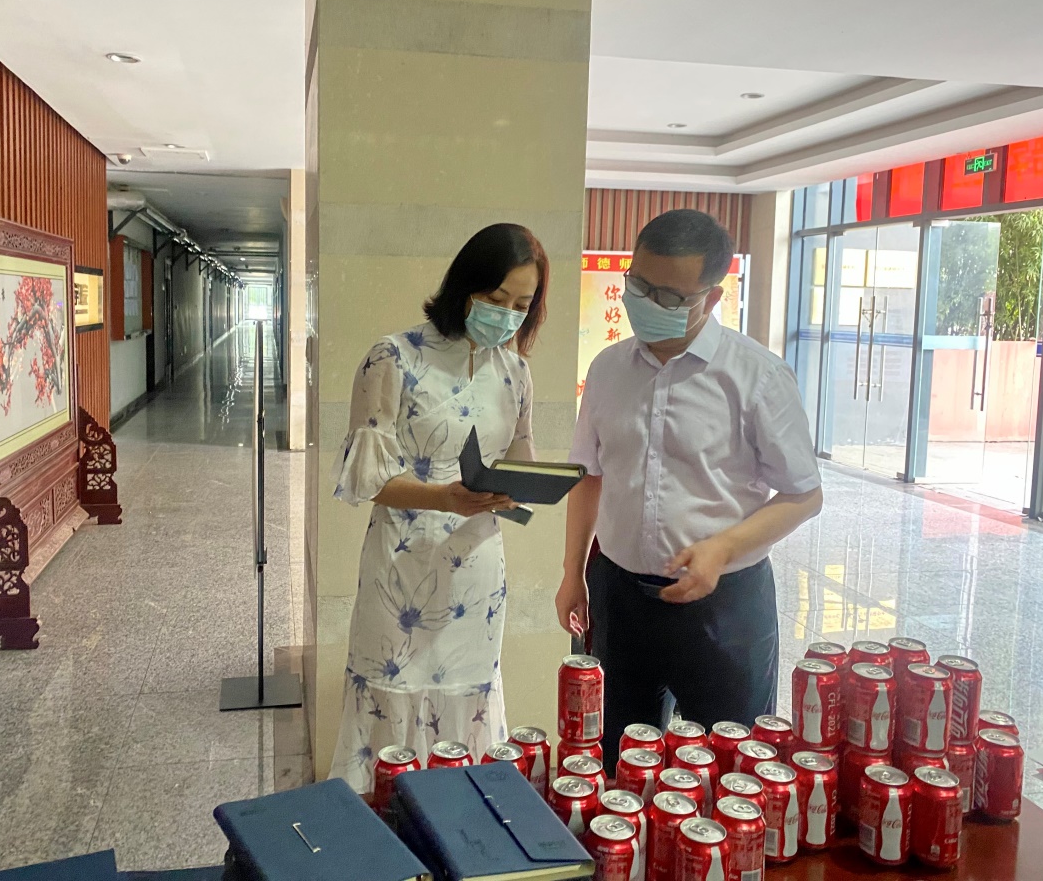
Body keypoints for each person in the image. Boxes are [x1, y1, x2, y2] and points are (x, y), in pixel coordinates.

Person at [556, 209, 823, 774]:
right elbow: (590, 474)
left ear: (712, 296)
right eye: (639, 286)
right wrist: (573, 572)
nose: (648, 303)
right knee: (615, 761)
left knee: (730, 768)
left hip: (724, 606)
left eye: (669, 296)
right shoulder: (607, 370)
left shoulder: (757, 377)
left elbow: (804, 494)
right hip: (620, 598)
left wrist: (722, 549)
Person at [328, 223, 548, 792]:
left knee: (467, 716)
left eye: (521, 305)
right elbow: (367, 479)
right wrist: (443, 496)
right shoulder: (393, 357)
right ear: (464, 286)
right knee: (391, 709)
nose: (507, 315)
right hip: (401, 571)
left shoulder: (515, 373)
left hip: (476, 574)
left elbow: (520, 457)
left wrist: (521, 487)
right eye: (496, 298)